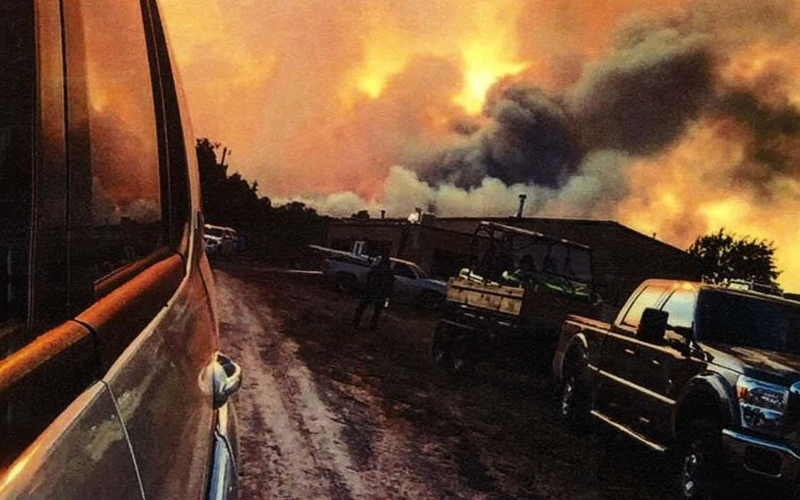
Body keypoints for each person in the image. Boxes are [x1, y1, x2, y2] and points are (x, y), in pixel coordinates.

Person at [353, 254, 395, 331]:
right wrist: (387, 295)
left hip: (372, 292)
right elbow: (390, 284)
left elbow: (368, 279)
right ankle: (372, 326)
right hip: (379, 293)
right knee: (376, 312)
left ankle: (356, 323)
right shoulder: (388, 272)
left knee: (362, 308)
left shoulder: (376, 270)